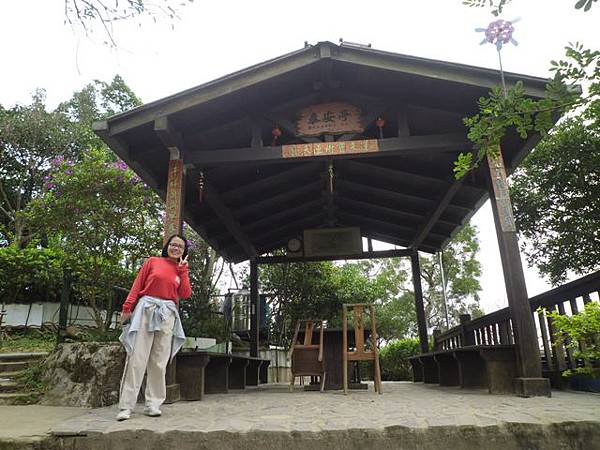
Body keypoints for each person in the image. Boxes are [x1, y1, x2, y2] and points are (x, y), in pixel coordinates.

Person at [116, 234, 191, 421]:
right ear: (167, 246)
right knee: (136, 358)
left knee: (159, 361)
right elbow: (137, 284)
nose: (176, 248)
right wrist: (127, 307)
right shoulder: (153, 262)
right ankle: (126, 406)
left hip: (167, 314)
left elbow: (185, 294)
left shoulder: (181, 269)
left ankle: (153, 403)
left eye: (180, 247)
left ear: (184, 251)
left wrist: (183, 272)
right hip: (146, 309)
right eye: (173, 244)